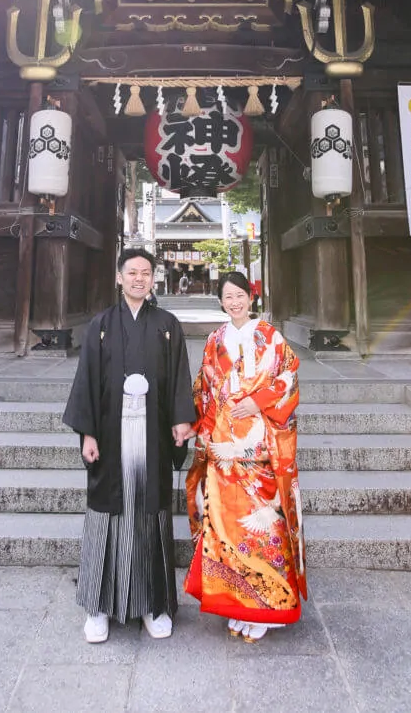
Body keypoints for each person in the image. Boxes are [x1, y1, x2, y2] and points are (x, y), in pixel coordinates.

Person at [64, 248, 196, 643]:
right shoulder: (100, 325)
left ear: (153, 279)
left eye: (146, 272)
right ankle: (98, 607)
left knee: (149, 514)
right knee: (107, 514)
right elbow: (87, 380)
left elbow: (177, 379)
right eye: (132, 272)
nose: (139, 278)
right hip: (110, 432)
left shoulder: (167, 325)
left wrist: (180, 420)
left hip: (152, 435)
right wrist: (87, 432)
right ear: (119, 277)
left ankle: (152, 606)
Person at [184, 270, 306, 642]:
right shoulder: (214, 340)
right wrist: (201, 431)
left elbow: (288, 378)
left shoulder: (271, 336)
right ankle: (238, 601)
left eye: (240, 295)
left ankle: (267, 606)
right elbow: (205, 390)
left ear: (250, 297)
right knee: (226, 526)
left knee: (265, 522)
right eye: (227, 297)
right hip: (223, 448)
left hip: (261, 448)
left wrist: (257, 400)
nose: (234, 302)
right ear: (221, 302)